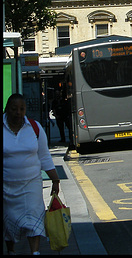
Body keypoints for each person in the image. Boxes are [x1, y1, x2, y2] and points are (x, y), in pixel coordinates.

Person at [3, 93, 61, 255]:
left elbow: (44, 156)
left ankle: (35, 252)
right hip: (7, 187)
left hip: (32, 185)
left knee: (34, 218)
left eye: (22, 109)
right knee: (9, 222)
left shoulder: (35, 128)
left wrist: (55, 180)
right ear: (7, 109)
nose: (18, 112)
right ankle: (11, 250)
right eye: (14, 109)